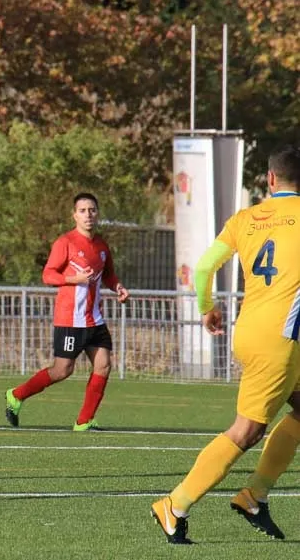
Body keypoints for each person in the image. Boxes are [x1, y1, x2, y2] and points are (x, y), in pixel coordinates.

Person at [151, 145, 300, 544]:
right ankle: (174, 504)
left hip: (254, 329)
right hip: (280, 340)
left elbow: (203, 268)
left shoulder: (245, 219)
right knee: (246, 431)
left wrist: (207, 308)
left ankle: (254, 496)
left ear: (270, 179)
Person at [4, 192, 130, 431]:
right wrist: (74, 278)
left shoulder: (102, 245)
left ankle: (83, 421)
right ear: (74, 215)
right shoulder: (66, 242)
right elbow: (48, 275)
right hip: (70, 319)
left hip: (95, 319)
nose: (88, 215)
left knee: (103, 365)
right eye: (82, 211)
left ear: (98, 213)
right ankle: (17, 395)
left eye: (92, 210)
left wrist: (118, 287)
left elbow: (109, 275)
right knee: (62, 370)